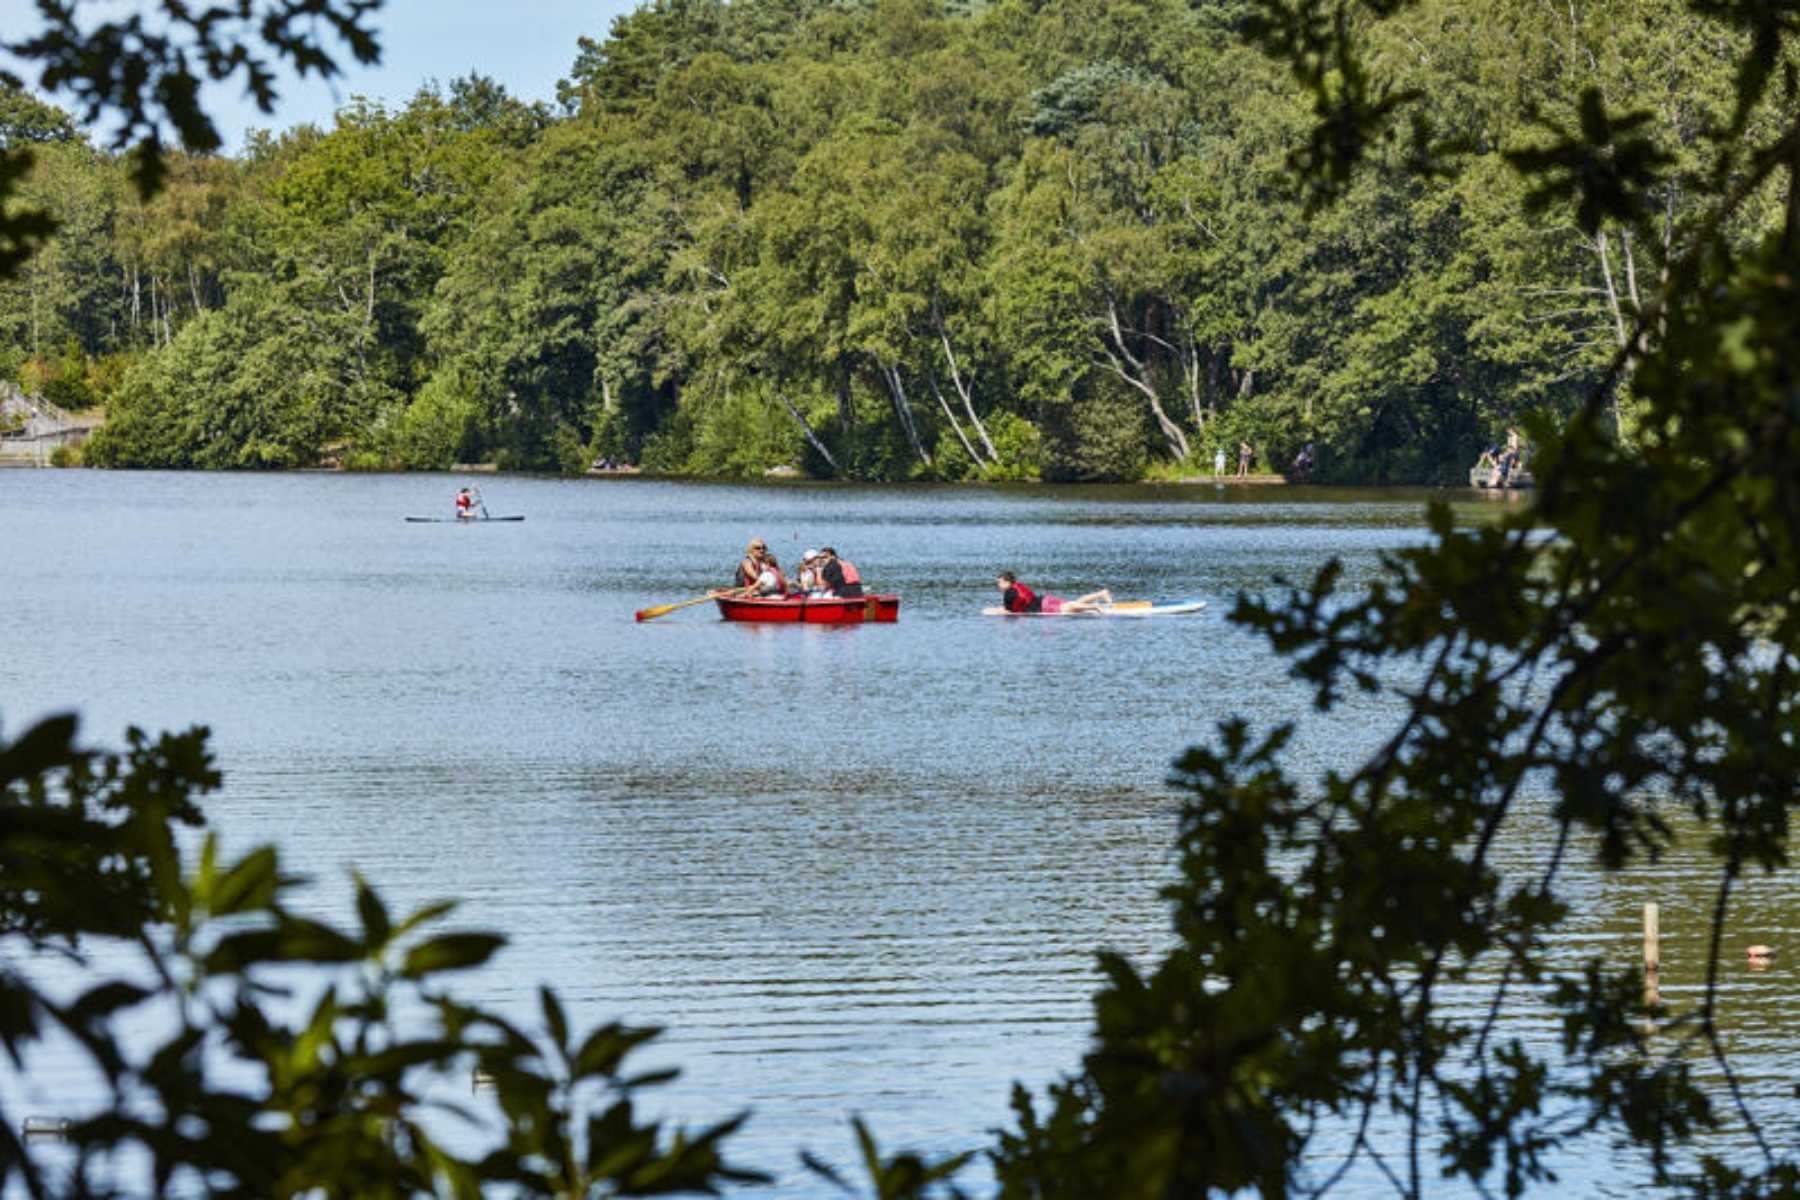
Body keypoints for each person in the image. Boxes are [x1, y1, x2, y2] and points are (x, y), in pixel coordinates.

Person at [996, 571, 1112, 615]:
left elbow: (1008, 611)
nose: (998, 586)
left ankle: (1094, 606)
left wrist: (993, 611)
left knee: (1069, 607)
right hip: (1045, 599)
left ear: (1007, 582)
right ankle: (1101, 594)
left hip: (1044, 607)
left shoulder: (1008, 593)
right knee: (1073, 603)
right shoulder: (1018, 585)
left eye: (1000, 583)